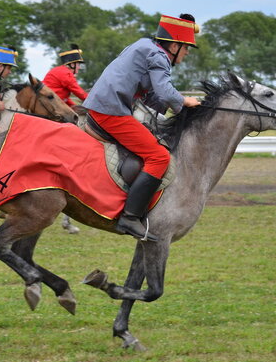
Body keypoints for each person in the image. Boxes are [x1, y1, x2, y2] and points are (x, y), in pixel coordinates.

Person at [83, 13, 202, 241]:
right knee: (159, 157)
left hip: (104, 106)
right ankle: (129, 217)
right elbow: (165, 92)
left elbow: (150, 93)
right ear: (175, 45)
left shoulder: (144, 45)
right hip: (111, 111)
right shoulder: (159, 56)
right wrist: (185, 102)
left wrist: (174, 107)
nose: (187, 53)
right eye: (186, 48)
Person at [43, 44, 88, 109]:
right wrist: (92, 101)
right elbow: (79, 92)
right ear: (72, 64)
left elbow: (63, 97)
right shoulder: (66, 73)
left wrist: (74, 106)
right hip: (51, 105)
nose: (79, 67)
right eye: (78, 64)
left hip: (51, 102)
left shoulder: (60, 70)